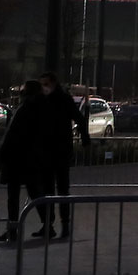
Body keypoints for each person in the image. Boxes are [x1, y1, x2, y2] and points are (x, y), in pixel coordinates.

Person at [34, 73, 89, 241]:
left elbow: (78, 118)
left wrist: (85, 137)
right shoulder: (54, 99)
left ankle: (59, 224)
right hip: (55, 150)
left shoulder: (59, 99)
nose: (44, 87)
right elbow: (78, 118)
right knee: (54, 189)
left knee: (58, 189)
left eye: (46, 84)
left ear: (53, 83)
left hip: (57, 151)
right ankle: (53, 224)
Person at [0, 79, 45, 242]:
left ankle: (13, 230)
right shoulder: (40, 109)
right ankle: (47, 224)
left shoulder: (25, 109)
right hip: (30, 158)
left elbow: (12, 134)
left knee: (14, 196)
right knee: (34, 192)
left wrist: (0, 156)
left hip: (17, 158)